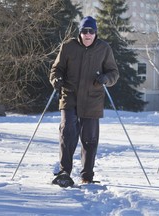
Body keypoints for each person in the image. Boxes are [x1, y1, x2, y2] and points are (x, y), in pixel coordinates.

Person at [50, 16, 119, 187]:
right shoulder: (68, 47)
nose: (88, 35)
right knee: (68, 132)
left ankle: (87, 175)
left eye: (91, 31)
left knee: (89, 138)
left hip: (92, 99)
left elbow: (114, 73)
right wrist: (56, 79)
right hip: (69, 95)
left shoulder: (104, 48)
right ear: (79, 32)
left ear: (96, 33)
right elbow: (56, 68)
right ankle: (64, 171)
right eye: (84, 31)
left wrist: (106, 78)